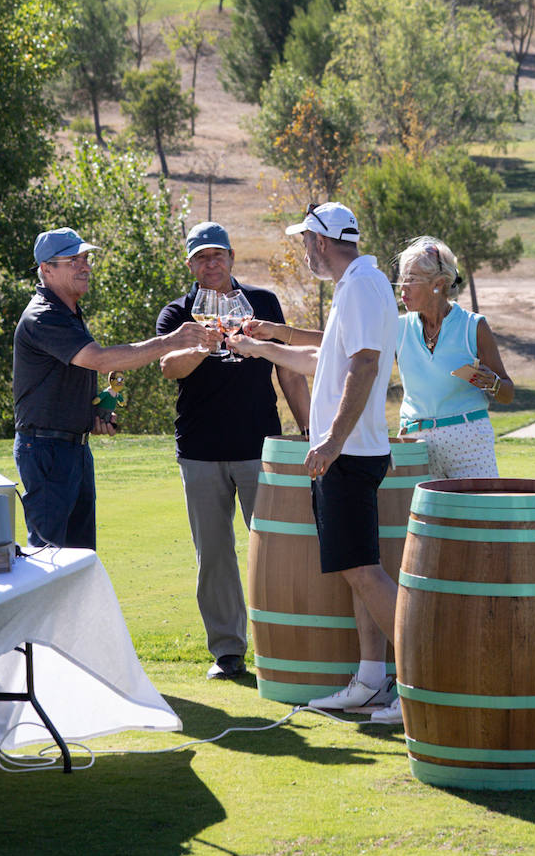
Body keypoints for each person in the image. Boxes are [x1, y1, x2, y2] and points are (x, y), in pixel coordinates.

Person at [228, 202, 402, 723]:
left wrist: (329, 442)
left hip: (349, 455)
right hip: (351, 453)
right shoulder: (357, 284)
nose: (304, 250)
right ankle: (371, 681)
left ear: (320, 241)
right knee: (359, 571)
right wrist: (261, 346)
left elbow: (365, 366)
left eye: (305, 241)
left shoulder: (362, 286)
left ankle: (422, 682)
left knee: (364, 573)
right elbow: (322, 360)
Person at [156, 221, 310, 682]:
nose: (211, 263)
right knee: (215, 557)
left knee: (276, 551)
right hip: (200, 451)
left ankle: (287, 648)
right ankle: (228, 652)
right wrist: (202, 345)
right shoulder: (177, 313)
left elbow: (290, 370)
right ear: (190, 265)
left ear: (232, 258)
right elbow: (168, 368)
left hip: (259, 447)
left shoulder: (263, 304)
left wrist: (309, 430)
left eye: (218, 255)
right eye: (201, 257)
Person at [13, 227, 184, 551]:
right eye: (74, 261)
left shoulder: (67, 313)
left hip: (71, 447)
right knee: (50, 558)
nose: (85, 267)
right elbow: (101, 360)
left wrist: (91, 415)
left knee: (79, 557)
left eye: (86, 259)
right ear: (47, 269)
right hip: (46, 448)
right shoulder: (44, 316)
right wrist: (170, 342)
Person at [395, 237, 514, 477]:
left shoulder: (474, 326)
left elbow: (507, 393)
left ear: (438, 284)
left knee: (478, 504)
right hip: (415, 442)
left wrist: (492, 383)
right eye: (402, 278)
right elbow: (342, 344)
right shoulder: (398, 328)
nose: (402, 287)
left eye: (412, 279)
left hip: (469, 442)